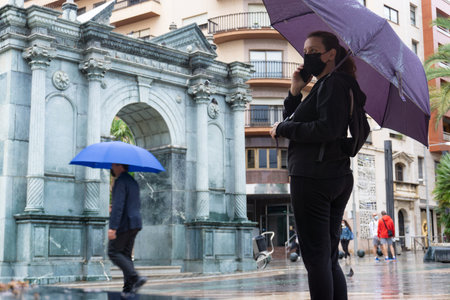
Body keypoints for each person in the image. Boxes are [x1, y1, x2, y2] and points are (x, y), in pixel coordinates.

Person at [270, 31, 360, 300]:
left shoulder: (333, 84)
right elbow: (301, 119)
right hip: (332, 174)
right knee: (328, 256)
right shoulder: (334, 84)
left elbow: (327, 128)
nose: (306, 56)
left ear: (331, 53)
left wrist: (283, 127)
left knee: (316, 257)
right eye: (305, 51)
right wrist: (295, 92)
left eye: (313, 51)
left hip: (314, 176)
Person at [109, 163, 147, 296]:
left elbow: (119, 206)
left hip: (125, 223)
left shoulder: (120, 181)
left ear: (120, 166)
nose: (111, 167)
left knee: (113, 252)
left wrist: (113, 227)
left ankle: (135, 277)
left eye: (113, 165)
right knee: (125, 255)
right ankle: (129, 287)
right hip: (135, 222)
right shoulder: (132, 182)